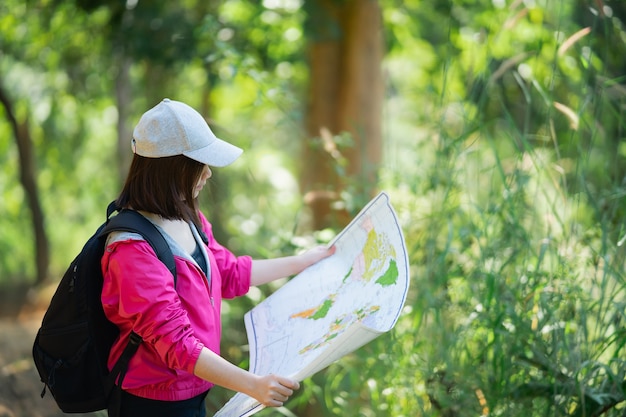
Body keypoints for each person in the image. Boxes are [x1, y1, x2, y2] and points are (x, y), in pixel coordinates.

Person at [101, 98, 335, 417]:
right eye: (201, 163)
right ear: (173, 169)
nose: (208, 173)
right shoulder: (131, 250)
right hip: (153, 403)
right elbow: (176, 344)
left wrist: (303, 262)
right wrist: (252, 385)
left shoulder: (188, 220)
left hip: (194, 389)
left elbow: (230, 273)